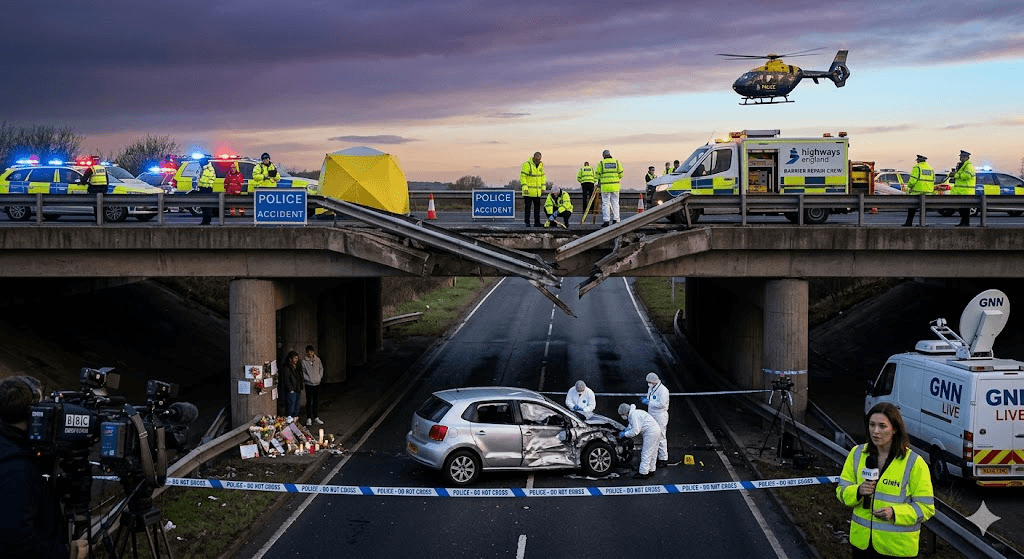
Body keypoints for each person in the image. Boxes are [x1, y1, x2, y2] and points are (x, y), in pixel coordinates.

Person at [0, 375, 87, 559]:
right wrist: (64, 553)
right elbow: (15, 539)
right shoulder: (19, 469)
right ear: (33, 412)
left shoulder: (10, 446)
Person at [836, 402, 934, 558]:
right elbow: (841, 491)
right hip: (862, 545)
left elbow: (926, 508)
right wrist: (858, 491)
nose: (876, 431)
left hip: (896, 549)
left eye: (882, 426)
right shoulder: (857, 453)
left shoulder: (915, 463)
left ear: (895, 429)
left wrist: (894, 512)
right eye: (872, 425)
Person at [617, 403, 660, 478]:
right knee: (653, 452)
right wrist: (626, 430)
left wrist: (625, 434)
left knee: (646, 452)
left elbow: (635, 431)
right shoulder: (634, 413)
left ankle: (643, 473)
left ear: (626, 412)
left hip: (650, 432)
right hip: (656, 430)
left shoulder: (633, 416)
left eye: (622, 414)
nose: (622, 416)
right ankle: (651, 469)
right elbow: (631, 426)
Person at [642, 372, 670, 465]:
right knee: (654, 436)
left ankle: (663, 458)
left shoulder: (663, 390)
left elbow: (661, 404)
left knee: (661, 436)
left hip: (660, 416)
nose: (648, 384)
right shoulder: (651, 388)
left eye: (650, 382)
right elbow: (650, 398)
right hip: (652, 415)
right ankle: (657, 456)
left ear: (654, 381)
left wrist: (649, 402)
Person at [902, 155, 934, 227]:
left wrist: (909, 186)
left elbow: (913, 180)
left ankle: (908, 223)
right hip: (928, 192)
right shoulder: (930, 168)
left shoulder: (917, 167)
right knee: (923, 210)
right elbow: (933, 180)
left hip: (917, 191)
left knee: (912, 209)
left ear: (918, 161)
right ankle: (923, 223)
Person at [595, 149, 624, 227]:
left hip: (605, 187)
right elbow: (621, 174)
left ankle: (606, 220)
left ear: (603, 156)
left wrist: (598, 183)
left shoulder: (601, 163)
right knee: (615, 203)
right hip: (615, 187)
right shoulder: (617, 162)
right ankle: (616, 219)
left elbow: (597, 175)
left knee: (606, 204)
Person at [949, 150, 976, 227]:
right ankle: (962, 223)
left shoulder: (969, 165)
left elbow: (967, 176)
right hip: (961, 191)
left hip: (966, 191)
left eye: (962, 157)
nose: (961, 158)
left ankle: (966, 223)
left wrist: (956, 175)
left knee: (965, 209)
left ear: (967, 157)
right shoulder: (962, 165)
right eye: (960, 156)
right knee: (961, 209)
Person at [520, 152, 545, 227]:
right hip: (528, 191)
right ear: (534, 157)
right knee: (528, 207)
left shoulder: (541, 165)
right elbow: (523, 177)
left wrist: (543, 187)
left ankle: (537, 222)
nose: (539, 160)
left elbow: (542, 177)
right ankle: (527, 222)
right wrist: (524, 187)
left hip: (537, 192)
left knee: (537, 208)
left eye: (540, 159)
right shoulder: (527, 165)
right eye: (537, 158)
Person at [302, 345, 324, 426]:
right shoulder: (304, 361)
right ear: (306, 352)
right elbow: (303, 372)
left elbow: (321, 368)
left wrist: (319, 377)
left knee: (316, 401)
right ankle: (309, 418)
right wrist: (308, 379)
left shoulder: (317, 360)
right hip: (309, 384)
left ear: (313, 352)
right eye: (308, 352)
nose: (310, 354)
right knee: (309, 401)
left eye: (311, 352)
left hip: (317, 383)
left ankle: (315, 417)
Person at [279, 351, 303, 422]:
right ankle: (289, 418)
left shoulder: (298, 367)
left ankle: (295, 418)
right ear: (290, 359)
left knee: (297, 404)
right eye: (295, 358)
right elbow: (286, 379)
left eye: (297, 358)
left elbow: (300, 376)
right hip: (291, 389)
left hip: (297, 388)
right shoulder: (286, 367)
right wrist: (290, 388)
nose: (296, 360)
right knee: (291, 404)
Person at [196, 158, 216, 225]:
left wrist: (198, 183)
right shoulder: (205, 168)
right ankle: (205, 221)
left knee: (206, 207)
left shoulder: (208, 169)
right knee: (204, 206)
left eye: (200, 162)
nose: (199, 164)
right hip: (204, 188)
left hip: (206, 189)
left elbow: (203, 179)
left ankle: (206, 221)